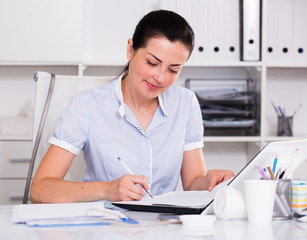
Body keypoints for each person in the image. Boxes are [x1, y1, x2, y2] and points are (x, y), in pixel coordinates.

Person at [30, 10, 234, 203]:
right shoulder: (87, 106)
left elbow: (192, 184)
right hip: (106, 226)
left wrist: (209, 181)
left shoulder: (185, 103)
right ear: (130, 49)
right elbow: (40, 190)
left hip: (163, 227)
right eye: (152, 62)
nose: (160, 78)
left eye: (173, 69)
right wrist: (106, 189)